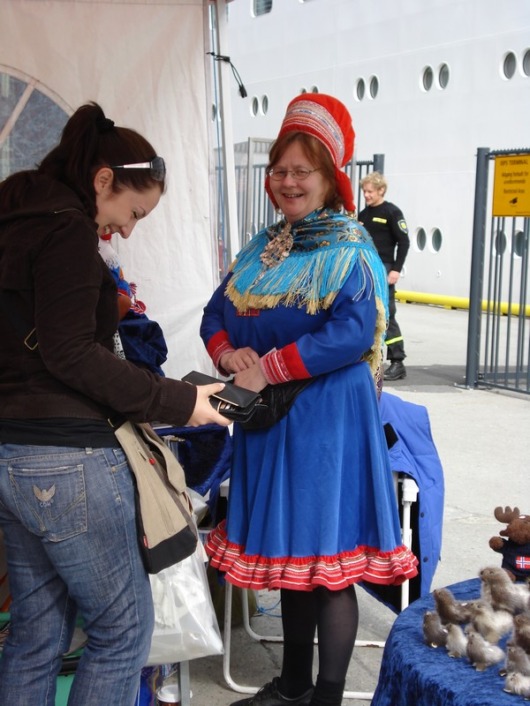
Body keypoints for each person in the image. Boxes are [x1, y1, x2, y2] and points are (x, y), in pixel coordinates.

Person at [0, 102, 230, 706]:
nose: (129, 229)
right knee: (122, 629)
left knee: (36, 633)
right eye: (133, 212)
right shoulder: (67, 232)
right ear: (103, 179)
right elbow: (72, 354)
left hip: (11, 454)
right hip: (69, 457)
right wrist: (180, 400)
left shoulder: (16, 221)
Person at [200, 94, 418, 706]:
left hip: (326, 420)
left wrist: (269, 365)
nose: (288, 181)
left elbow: (352, 334)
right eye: (281, 169)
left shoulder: (351, 247)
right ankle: (293, 686)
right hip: (272, 421)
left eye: (303, 170)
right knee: (292, 558)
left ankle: (324, 696)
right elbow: (217, 312)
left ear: (331, 178)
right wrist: (228, 355)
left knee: (327, 563)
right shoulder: (264, 248)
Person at [358, 172, 410, 381]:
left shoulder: (391, 212)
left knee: (387, 313)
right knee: (367, 312)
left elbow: (404, 242)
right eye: (364, 191)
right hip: (366, 268)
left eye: (370, 191)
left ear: (381, 190)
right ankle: (371, 359)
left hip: (384, 268)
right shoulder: (363, 215)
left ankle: (397, 361)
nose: (366, 195)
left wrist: (396, 269)